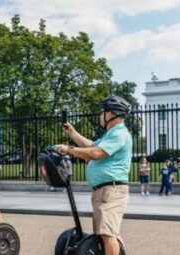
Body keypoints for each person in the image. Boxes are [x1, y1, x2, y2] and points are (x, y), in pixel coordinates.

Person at [53, 95, 133, 255]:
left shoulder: (120, 134)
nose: (100, 115)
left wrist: (68, 149)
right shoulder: (111, 134)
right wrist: (72, 133)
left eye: (102, 112)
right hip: (103, 191)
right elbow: (91, 145)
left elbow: (96, 153)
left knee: (107, 234)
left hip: (112, 191)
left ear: (110, 114)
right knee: (107, 234)